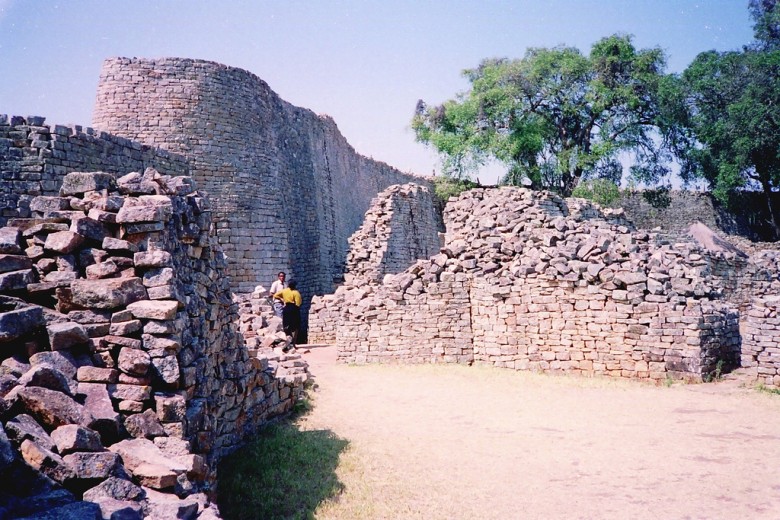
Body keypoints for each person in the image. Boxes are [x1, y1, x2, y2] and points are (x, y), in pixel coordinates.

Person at [273, 279, 302, 346]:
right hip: (294, 309)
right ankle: (293, 343)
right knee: (296, 326)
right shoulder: (296, 292)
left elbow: (275, 295)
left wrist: (282, 299)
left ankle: (288, 341)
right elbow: (298, 303)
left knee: (286, 325)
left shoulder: (284, 291)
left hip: (286, 309)